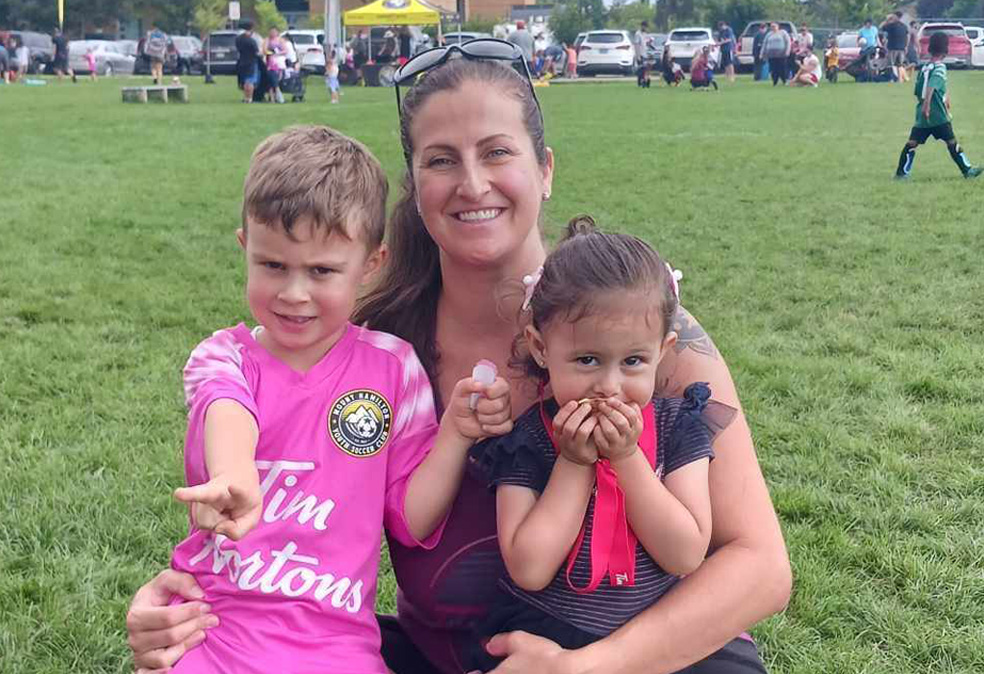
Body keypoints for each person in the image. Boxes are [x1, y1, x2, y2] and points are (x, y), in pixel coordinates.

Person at [127, 46, 791, 674]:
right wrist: (186, 603)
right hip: (446, 656)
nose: (472, 184)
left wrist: (586, 667)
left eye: (497, 151)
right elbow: (275, 501)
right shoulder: (368, 345)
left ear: (546, 168)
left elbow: (761, 569)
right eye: (441, 160)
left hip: (652, 656)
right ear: (414, 187)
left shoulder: (646, 333)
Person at [164, 125, 512, 674]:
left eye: (322, 271)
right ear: (244, 247)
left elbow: (410, 521)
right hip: (214, 632)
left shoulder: (392, 368)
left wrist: (457, 434)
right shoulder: (223, 356)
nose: (293, 293)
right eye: (272, 265)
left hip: (336, 645)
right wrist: (234, 477)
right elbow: (228, 407)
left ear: (371, 264)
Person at [467, 218, 722, 673]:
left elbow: (684, 554)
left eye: (633, 361)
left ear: (662, 350)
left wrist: (627, 457)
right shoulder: (525, 442)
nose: (609, 385)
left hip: (656, 634)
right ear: (541, 348)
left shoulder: (679, 426)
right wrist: (572, 461)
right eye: (587, 360)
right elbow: (528, 567)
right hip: (544, 629)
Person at [895, 32, 982, 180]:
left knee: (912, 143)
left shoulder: (925, 67)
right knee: (952, 142)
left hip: (922, 116)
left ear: (930, 49)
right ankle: (967, 171)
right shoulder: (940, 67)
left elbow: (919, 89)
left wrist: (938, 99)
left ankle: (901, 174)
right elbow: (932, 86)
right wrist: (928, 105)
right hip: (938, 115)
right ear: (946, 50)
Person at [236, 20, 260, 103]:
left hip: (242, 61)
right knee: (250, 81)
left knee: (245, 81)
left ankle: (245, 97)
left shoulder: (238, 39)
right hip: (251, 62)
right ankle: (249, 98)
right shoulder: (251, 41)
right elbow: (257, 52)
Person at [880, 12, 909, 83]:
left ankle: (891, 79)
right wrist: (906, 46)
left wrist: (887, 20)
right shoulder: (904, 26)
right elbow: (907, 36)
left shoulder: (891, 25)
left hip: (893, 48)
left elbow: (881, 27)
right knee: (900, 65)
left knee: (890, 64)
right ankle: (900, 79)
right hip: (901, 48)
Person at [263, 28, 287, 104]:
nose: (272, 33)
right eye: (271, 32)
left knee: (277, 78)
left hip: (279, 62)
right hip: (270, 61)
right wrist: (270, 53)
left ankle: (276, 95)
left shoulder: (281, 40)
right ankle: (272, 97)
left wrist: (278, 53)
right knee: (271, 79)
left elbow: (285, 50)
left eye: (274, 32)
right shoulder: (267, 40)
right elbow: (264, 50)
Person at [634, 20, 651, 88]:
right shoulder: (638, 34)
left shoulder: (645, 34)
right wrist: (638, 55)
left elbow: (646, 44)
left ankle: (643, 82)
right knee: (641, 69)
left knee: (645, 69)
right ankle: (641, 82)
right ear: (642, 26)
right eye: (644, 27)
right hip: (640, 54)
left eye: (646, 27)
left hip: (645, 54)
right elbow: (636, 45)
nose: (645, 28)